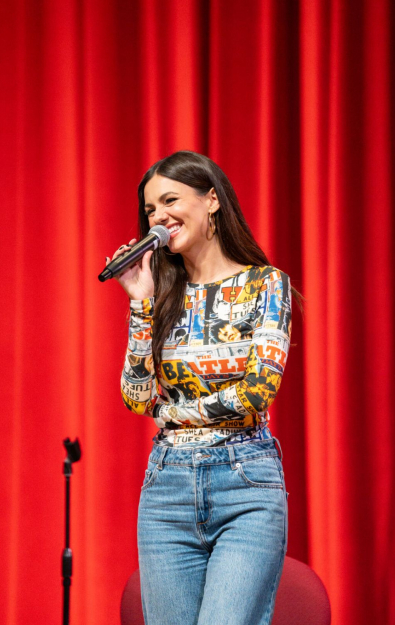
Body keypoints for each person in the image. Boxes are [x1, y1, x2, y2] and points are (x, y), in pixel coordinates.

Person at [108, 151, 303, 625]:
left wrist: (174, 414)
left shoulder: (266, 285)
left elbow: (257, 391)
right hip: (167, 486)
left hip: (246, 481)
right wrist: (140, 304)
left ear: (211, 200)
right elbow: (137, 397)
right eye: (150, 210)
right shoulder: (163, 295)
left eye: (169, 200)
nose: (159, 217)